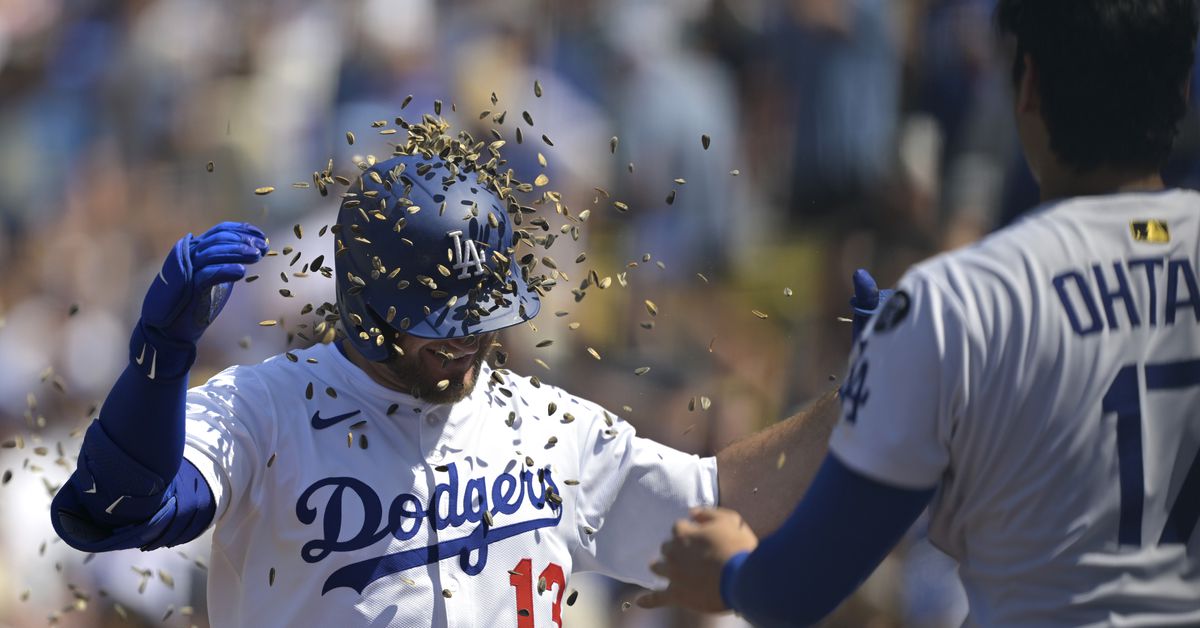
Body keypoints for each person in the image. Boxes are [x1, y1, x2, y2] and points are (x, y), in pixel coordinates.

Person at [47, 119, 875, 626]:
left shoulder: (546, 426)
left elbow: (724, 507)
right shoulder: (268, 409)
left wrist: (861, 400)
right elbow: (125, 508)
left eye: (483, 317)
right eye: (442, 322)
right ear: (368, 305)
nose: (470, 340)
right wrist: (159, 365)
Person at [640, 0, 1200, 625]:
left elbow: (791, 590)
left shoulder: (958, 301)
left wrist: (730, 571)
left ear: (1028, 85)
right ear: (1182, 85)